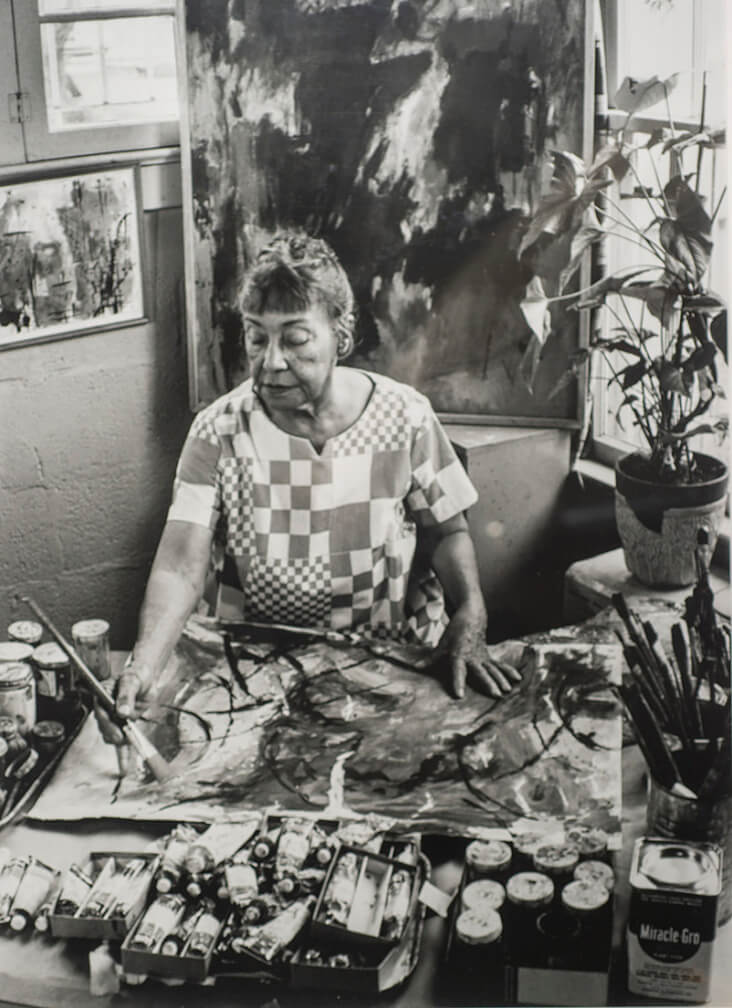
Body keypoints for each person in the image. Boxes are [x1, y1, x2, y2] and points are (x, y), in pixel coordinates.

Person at [102, 231, 519, 744]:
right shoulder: (219, 430)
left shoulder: (405, 416)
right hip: (255, 663)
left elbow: (448, 530)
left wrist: (471, 612)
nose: (272, 361)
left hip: (384, 654)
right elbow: (179, 566)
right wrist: (143, 668)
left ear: (340, 337)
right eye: (257, 337)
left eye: (295, 340)